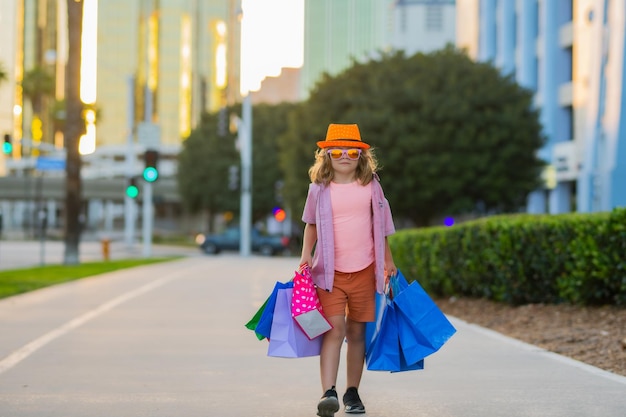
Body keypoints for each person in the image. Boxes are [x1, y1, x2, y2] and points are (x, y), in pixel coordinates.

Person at [299, 123, 397, 417]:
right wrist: (305, 255)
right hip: (329, 273)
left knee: (357, 332)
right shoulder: (319, 188)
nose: (345, 156)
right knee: (334, 329)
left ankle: (352, 392)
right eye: (337, 151)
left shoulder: (372, 186)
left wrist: (388, 260)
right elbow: (311, 224)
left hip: (366, 270)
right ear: (326, 155)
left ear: (361, 155)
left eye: (352, 151)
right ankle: (328, 391)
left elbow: (381, 227)